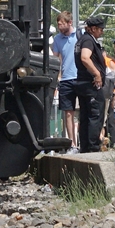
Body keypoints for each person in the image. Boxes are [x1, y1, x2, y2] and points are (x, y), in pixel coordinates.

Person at [75, 15, 109, 153]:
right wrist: (97, 74)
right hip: (91, 84)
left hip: (82, 83)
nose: (102, 32)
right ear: (93, 28)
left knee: (85, 116)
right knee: (95, 115)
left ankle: (85, 146)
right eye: (100, 29)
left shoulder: (82, 39)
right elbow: (85, 57)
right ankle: (93, 147)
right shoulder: (88, 40)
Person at [48, 12, 79, 151]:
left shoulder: (80, 35)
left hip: (80, 78)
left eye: (62, 24)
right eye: (58, 24)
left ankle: (84, 142)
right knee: (68, 113)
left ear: (69, 23)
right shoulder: (57, 39)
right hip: (66, 79)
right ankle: (72, 143)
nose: (59, 27)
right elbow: (55, 60)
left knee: (83, 111)